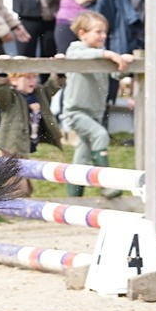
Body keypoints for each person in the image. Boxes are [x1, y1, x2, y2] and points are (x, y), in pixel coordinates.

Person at [62, 11, 131, 199]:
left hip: (95, 113)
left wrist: (123, 63)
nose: (103, 36)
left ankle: (74, 197)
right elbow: (80, 56)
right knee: (100, 135)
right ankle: (105, 185)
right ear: (83, 33)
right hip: (76, 112)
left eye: (105, 32)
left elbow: (116, 75)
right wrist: (108, 54)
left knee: (82, 155)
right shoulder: (75, 49)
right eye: (98, 32)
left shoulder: (102, 57)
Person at [0, 57, 62, 197]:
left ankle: (16, 206)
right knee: (15, 186)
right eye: (28, 77)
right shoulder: (10, 97)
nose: (33, 81)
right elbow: (0, 92)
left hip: (24, 146)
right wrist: (2, 69)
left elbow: (53, 85)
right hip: (10, 147)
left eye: (35, 77)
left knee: (23, 182)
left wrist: (58, 66)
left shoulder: (38, 93)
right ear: (13, 80)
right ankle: (9, 209)